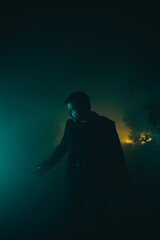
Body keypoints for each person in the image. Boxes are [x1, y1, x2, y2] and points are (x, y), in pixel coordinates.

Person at [32, 91, 130, 239]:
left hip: (99, 180)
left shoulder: (106, 125)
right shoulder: (71, 125)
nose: (70, 114)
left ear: (85, 107)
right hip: (75, 179)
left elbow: (117, 152)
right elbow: (62, 148)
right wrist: (44, 166)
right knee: (72, 218)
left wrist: (125, 179)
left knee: (99, 220)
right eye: (69, 110)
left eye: (73, 109)